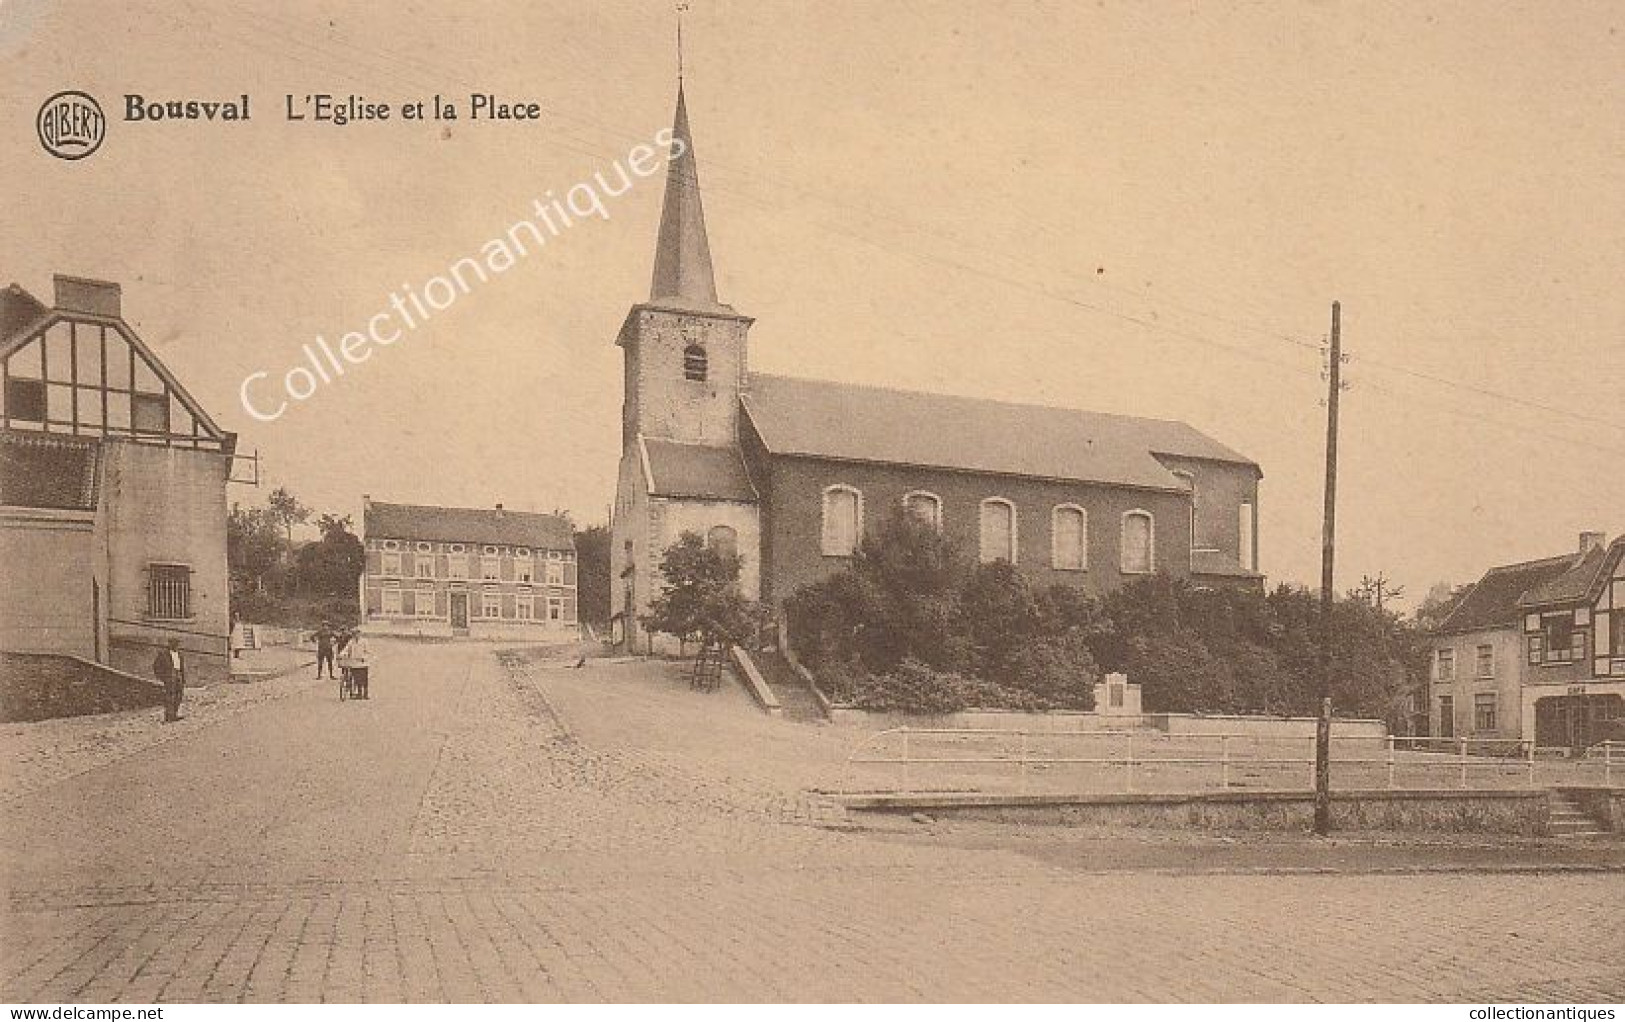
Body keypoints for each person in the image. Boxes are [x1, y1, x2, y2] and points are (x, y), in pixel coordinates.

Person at [152, 638, 186, 722]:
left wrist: (183, 677)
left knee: (179, 695)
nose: (176, 645)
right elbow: (156, 666)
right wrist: (162, 677)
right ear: (169, 644)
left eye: (177, 643)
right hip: (169, 675)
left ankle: (174, 714)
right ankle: (169, 716)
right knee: (170, 696)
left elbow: (182, 667)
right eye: (173, 643)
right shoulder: (163, 654)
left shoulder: (180, 654)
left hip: (178, 675)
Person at [342, 632, 372, 699]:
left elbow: (368, 651)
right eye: (354, 634)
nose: (356, 636)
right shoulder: (351, 642)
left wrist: (364, 657)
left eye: (357, 634)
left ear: (360, 634)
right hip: (354, 663)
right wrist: (342, 654)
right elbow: (346, 649)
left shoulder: (364, 641)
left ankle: (365, 694)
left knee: (364, 679)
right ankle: (359, 694)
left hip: (363, 663)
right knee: (357, 679)